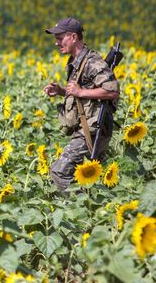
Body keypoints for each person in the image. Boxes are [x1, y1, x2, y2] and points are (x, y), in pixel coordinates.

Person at [42, 17, 120, 192]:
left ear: (73, 37)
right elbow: (86, 90)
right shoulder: (77, 61)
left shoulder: (91, 62)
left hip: (93, 130)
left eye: (59, 38)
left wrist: (80, 92)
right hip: (87, 128)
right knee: (92, 181)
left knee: (59, 172)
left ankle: (77, 207)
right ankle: (93, 207)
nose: (56, 43)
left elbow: (113, 91)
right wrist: (62, 91)